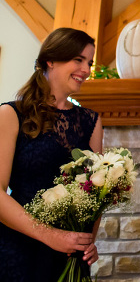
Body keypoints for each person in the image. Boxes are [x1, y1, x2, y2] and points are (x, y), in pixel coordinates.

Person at [0, 27, 102, 281]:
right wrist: (52, 236)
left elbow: (96, 193)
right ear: (51, 60)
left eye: (89, 63)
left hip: (70, 258)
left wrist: (88, 241)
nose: (86, 70)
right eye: (78, 59)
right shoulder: (11, 114)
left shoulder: (91, 121)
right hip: (19, 253)